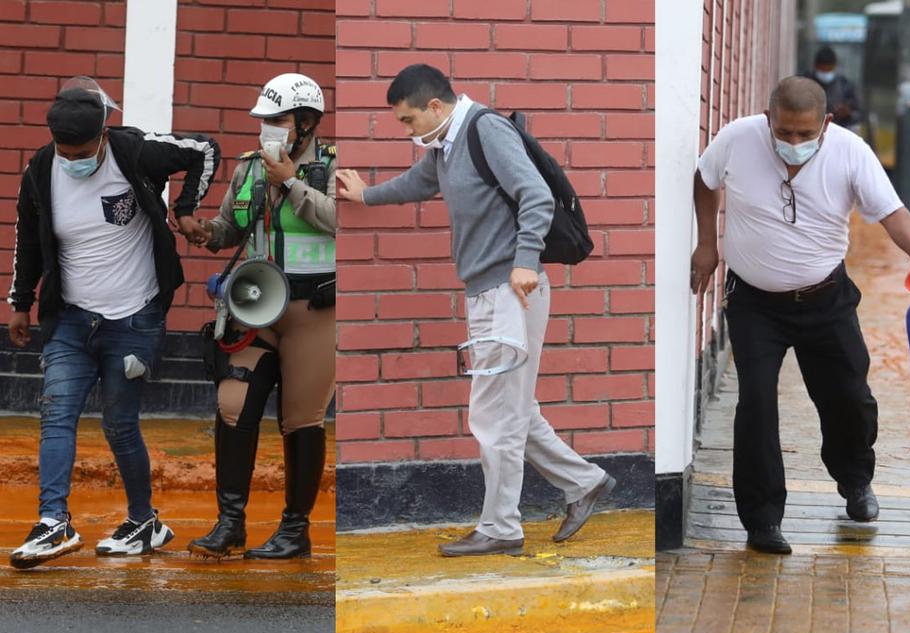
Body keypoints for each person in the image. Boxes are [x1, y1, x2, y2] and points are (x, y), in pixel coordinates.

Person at [337, 64, 615, 558]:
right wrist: (365, 195)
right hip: (491, 292)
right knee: (515, 410)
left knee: (494, 417)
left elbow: (536, 194)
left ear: (436, 108)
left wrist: (526, 261)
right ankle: (584, 482)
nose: (407, 130)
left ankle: (501, 527)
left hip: (512, 291)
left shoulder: (484, 129)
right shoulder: (447, 143)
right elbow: (420, 184)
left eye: (407, 121)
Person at [690, 76, 910, 554]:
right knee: (755, 404)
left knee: (848, 396)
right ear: (768, 118)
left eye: (804, 134)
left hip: (826, 298)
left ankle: (855, 482)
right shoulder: (738, 138)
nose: (793, 143)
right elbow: (704, 179)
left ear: (826, 123)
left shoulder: (850, 152)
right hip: (755, 301)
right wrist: (706, 244)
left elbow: (891, 212)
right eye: (784, 132)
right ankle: (762, 522)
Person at [6, 77, 219, 569]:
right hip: (72, 319)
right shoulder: (42, 168)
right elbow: (28, 240)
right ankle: (53, 523)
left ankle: (145, 521)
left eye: (81, 150)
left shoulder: (134, 151)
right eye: (64, 150)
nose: (71, 159)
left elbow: (205, 149)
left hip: (134, 318)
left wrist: (185, 210)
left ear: (103, 135)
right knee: (56, 413)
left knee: (119, 425)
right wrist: (21, 301)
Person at [184, 73, 336, 560]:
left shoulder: (332, 166)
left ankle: (295, 531)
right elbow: (232, 227)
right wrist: (206, 232)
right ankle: (229, 524)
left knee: (301, 419)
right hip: (255, 305)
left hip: (313, 312)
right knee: (233, 405)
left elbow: (340, 221)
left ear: (307, 123)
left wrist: (290, 183)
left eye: (278, 119)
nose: (267, 128)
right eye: (263, 120)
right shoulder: (249, 168)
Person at [803, 45, 861, 131]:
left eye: (828, 69)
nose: (825, 73)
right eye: (822, 69)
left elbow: (858, 114)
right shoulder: (804, 83)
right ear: (815, 66)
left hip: (838, 129)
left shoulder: (845, 85)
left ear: (834, 66)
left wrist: (848, 113)